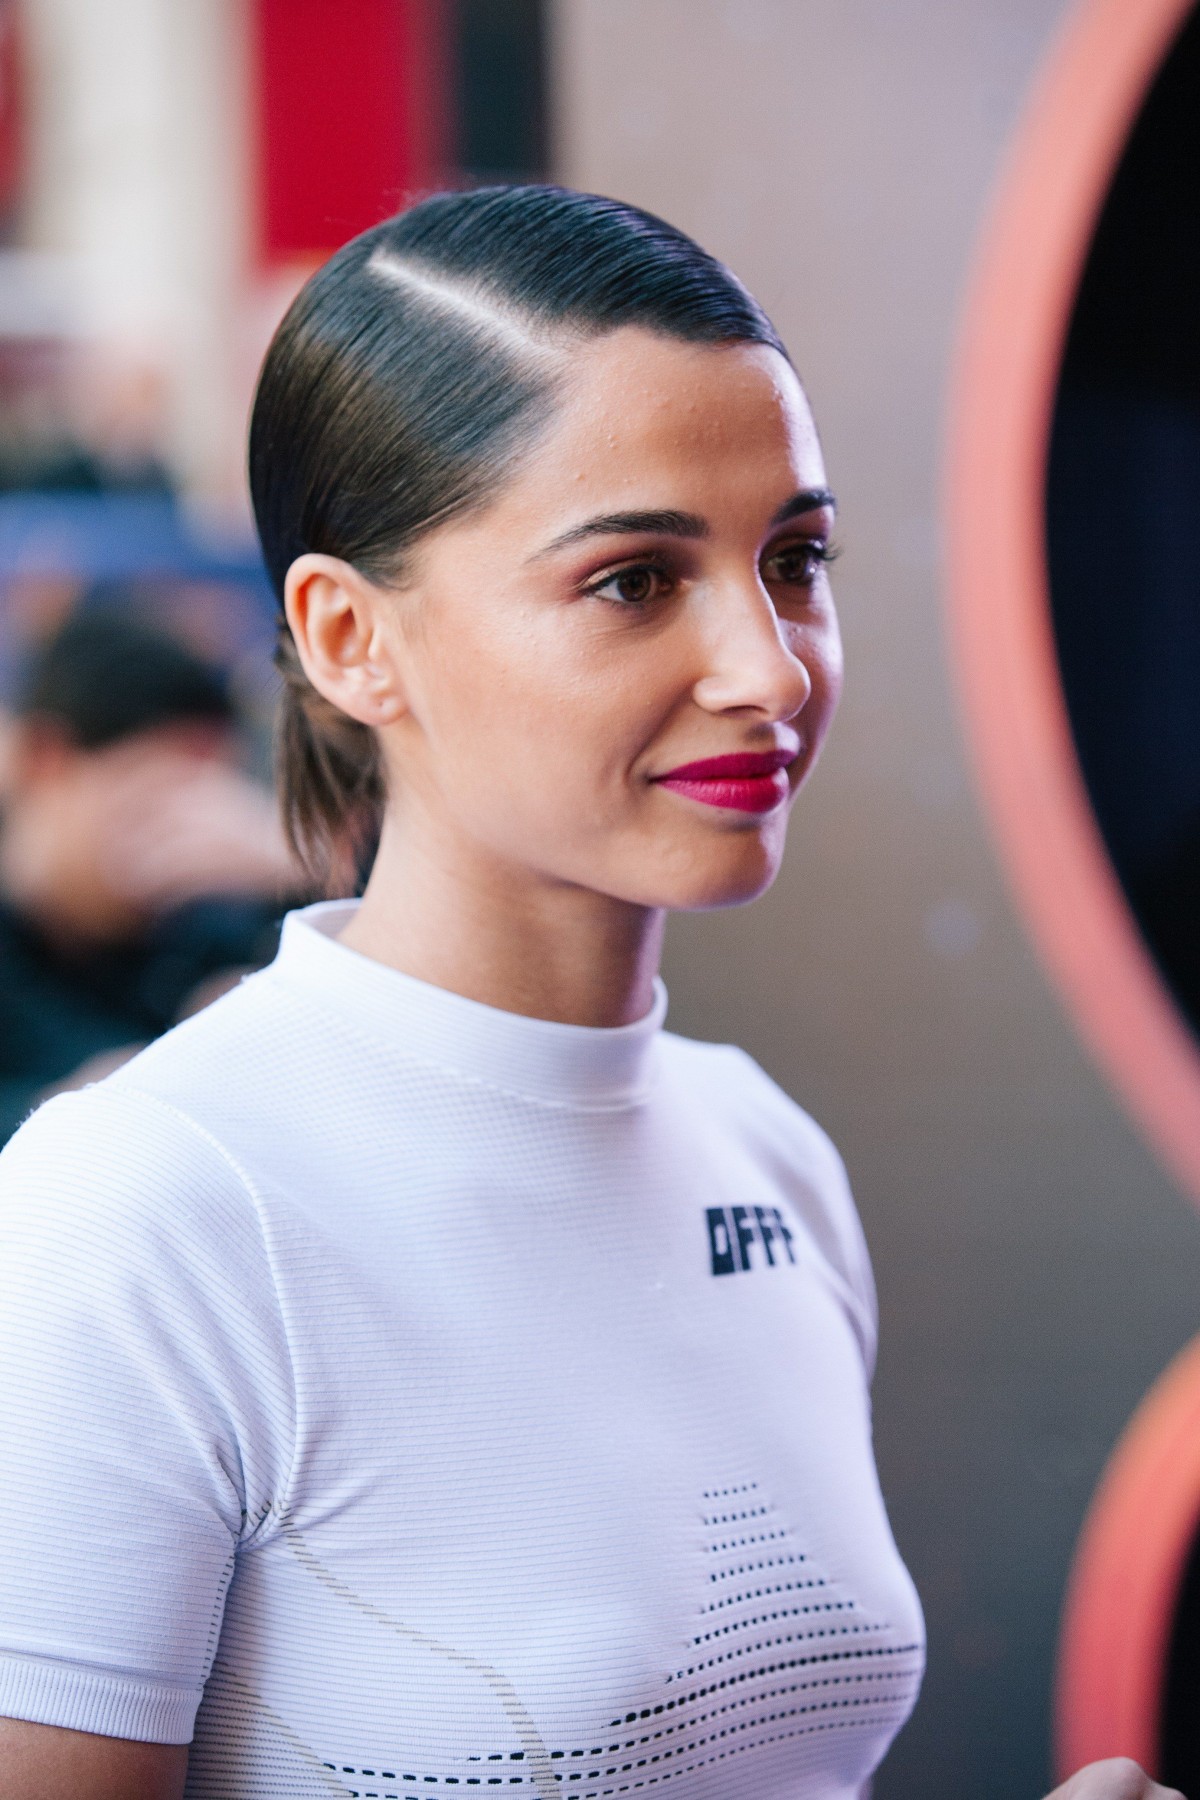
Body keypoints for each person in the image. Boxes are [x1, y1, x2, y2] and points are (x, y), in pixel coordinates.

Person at [0, 188, 1178, 1800]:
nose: (768, 666)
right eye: (634, 580)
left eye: (795, 559)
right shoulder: (148, 1213)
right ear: (350, 637)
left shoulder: (765, 1155)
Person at [0, 607, 302, 1143]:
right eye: (156, 798)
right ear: (45, 759)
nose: (189, 835)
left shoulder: (207, 928)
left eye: (212, 798)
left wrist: (298, 870)